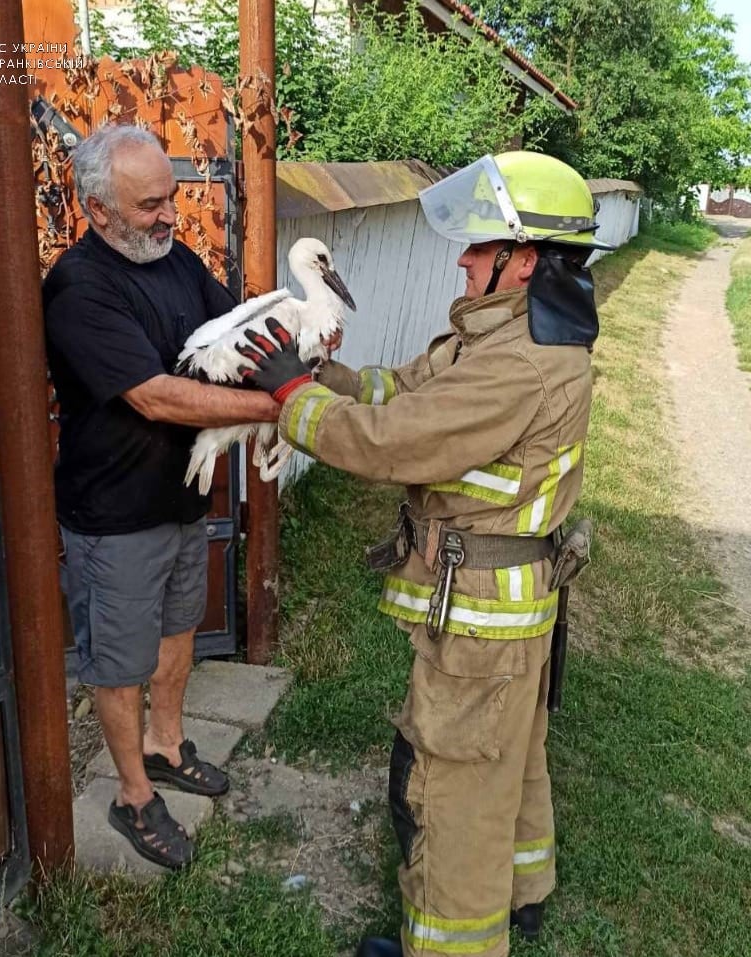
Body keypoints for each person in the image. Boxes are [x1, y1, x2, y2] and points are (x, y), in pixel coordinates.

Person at [237, 152, 614, 957]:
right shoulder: (501, 334)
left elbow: (394, 439)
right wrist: (320, 370)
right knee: (511, 760)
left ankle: (452, 943)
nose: (462, 257)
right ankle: (524, 894)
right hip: (506, 619)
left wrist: (291, 400)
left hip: (482, 627)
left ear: (525, 261)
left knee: (453, 786)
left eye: (480, 247)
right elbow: (399, 393)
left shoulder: (518, 364)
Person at [43, 124, 280, 869]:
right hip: (114, 513)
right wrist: (280, 407)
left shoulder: (172, 257)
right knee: (117, 661)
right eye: (151, 205)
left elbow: (235, 327)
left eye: (172, 197)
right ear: (98, 210)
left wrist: (295, 348)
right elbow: (155, 397)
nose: (172, 216)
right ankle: (134, 794)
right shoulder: (80, 287)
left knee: (180, 627)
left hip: (179, 498)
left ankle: (167, 741)